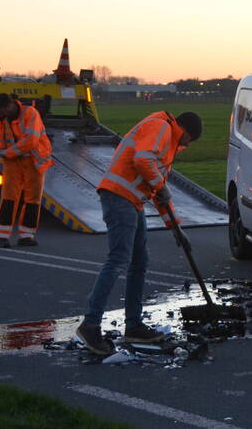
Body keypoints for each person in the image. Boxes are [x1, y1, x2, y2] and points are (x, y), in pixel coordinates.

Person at [76, 110, 203, 354]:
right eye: (190, 140)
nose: (188, 145)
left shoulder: (168, 142)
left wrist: (175, 228)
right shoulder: (161, 128)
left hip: (132, 201)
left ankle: (133, 325)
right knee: (118, 260)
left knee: (139, 262)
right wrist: (159, 185)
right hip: (119, 196)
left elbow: (159, 193)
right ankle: (90, 325)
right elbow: (142, 161)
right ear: (185, 131)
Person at [0, 93, 54, 248]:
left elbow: (31, 141)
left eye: (3, 111)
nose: (2, 115)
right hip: (13, 161)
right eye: (0, 112)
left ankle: (26, 235)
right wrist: (0, 150)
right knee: (8, 197)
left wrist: (7, 152)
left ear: (10, 105)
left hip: (33, 160)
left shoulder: (31, 113)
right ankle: (2, 235)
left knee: (32, 199)